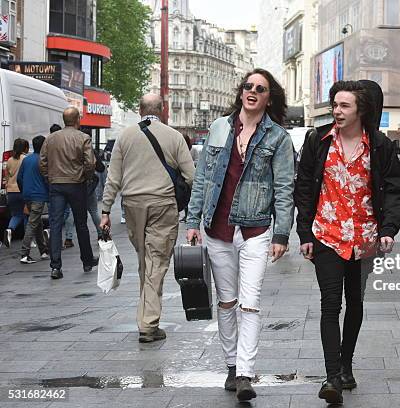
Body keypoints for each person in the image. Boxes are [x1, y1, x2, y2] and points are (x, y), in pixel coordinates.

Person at [186, 68, 294, 402]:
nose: (252, 92)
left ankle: (246, 372)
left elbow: (284, 188)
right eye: (248, 86)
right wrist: (192, 220)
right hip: (217, 228)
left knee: (250, 303)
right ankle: (231, 365)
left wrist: (281, 234)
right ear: (241, 91)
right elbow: (203, 178)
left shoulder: (277, 137)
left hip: (256, 229)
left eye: (260, 89)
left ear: (268, 97)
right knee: (227, 302)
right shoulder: (219, 127)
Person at [295, 80, 400, 404]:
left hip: (365, 237)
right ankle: (332, 378)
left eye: (344, 106)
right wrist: (305, 234)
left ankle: (346, 366)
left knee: (355, 302)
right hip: (327, 234)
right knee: (330, 304)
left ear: (360, 110)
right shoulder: (318, 141)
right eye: (335, 105)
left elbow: (394, 189)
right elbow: (303, 188)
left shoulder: (381, 145)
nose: (337, 111)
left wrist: (388, 229)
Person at [100, 94, 195, 344]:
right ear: (162, 110)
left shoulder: (125, 136)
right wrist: (195, 211)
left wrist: (106, 210)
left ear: (140, 109)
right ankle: (148, 324)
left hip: (132, 205)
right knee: (156, 263)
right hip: (163, 204)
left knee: (146, 262)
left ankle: (147, 316)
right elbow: (192, 176)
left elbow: (113, 178)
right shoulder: (174, 136)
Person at [40, 107, 98, 280]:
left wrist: (49, 178)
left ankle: (55, 267)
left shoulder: (50, 138)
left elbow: (42, 162)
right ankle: (87, 260)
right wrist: (86, 178)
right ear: (78, 119)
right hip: (76, 184)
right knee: (81, 223)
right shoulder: (83, 138)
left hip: (56, 184)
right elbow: (90, 163)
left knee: (56, 224)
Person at [17, 135, 49, 263]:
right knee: (33, 224)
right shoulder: (43, 161)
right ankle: (24, 253)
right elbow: (47, 179)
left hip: (27, 195)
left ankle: (43, 251)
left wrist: (24, 190)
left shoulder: (26, 160)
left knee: (37, 223)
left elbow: (19, 178)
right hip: (38, 195)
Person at [3, 138, 29, 248]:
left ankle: (9, 230)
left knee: (16, 214)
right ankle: (28, 239)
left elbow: (6, 175)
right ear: (24, 148)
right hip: (22, 190)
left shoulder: (9, 160)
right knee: (27, 214)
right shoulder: (25, 159)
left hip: (11, 191)